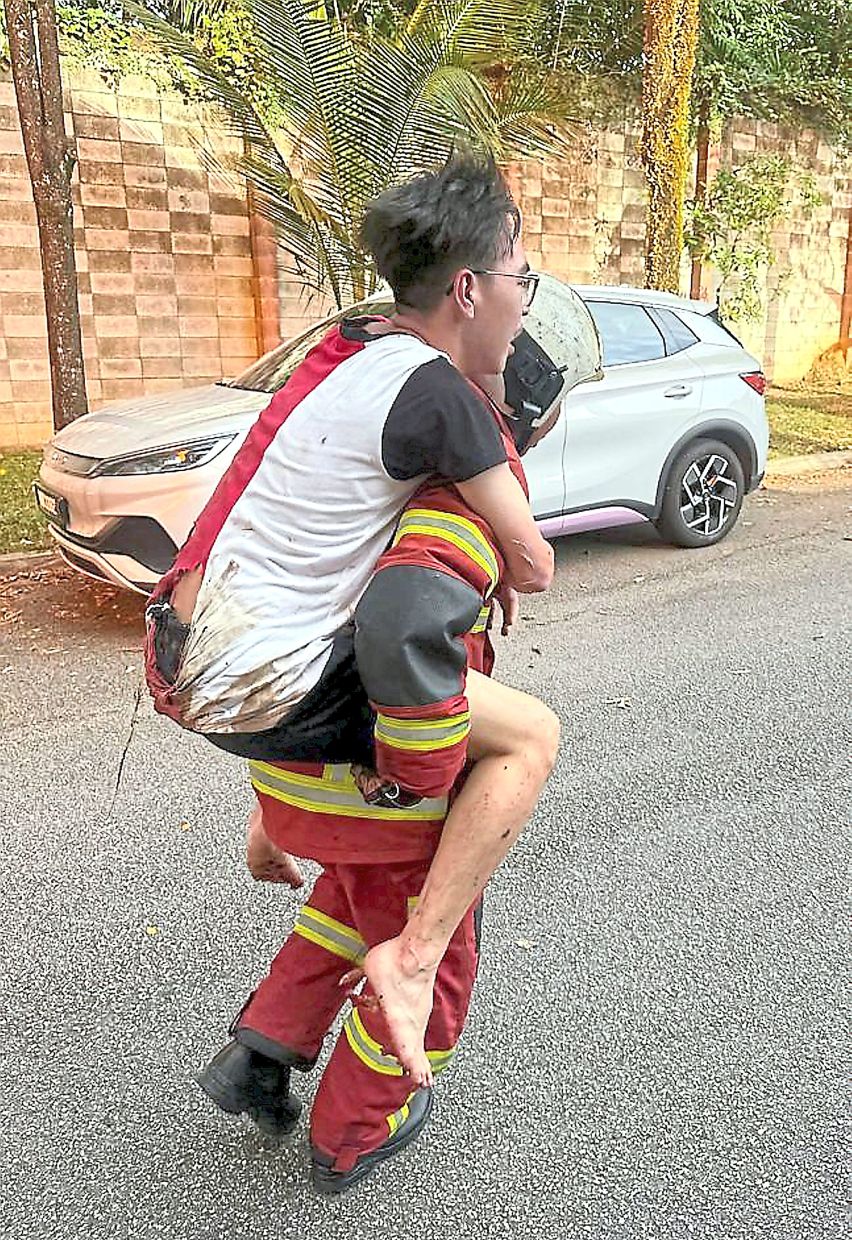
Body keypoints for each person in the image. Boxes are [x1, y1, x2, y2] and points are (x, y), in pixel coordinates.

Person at [144, 153, 559, 1089]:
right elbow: (532, 563)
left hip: (194, 657)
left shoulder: (347, 350)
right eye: (520, 280)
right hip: (273, 682)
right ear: (469, 287)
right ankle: (411, 967)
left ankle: (276, 835)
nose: (522, 304)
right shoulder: (442, 394)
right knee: (531, 737)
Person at [199, 387, 540, 1192]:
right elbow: (403, 621)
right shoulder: (459, 493)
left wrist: (268, 814)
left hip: (298, 767)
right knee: (433, 951)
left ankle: (260, 1051)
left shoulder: (342, 489)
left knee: (348, 905)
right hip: (384, 788)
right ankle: (353, 1129)